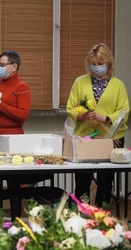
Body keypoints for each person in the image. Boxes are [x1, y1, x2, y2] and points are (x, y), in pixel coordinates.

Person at [0, 50, 51, 214]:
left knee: (12, 180)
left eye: (2, 65)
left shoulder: (22, 87)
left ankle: (15, 215)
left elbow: (22, 115)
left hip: (12, 140)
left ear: (14, 67)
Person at [66, 43, 129, 207]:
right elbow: (70, 108)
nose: (96, 67)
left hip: (111, 138)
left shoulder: (118, 85)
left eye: (100, 64)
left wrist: (105, 117)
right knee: (82, 181)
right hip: (85, 138)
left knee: (106, 182)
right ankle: (80, 214)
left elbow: (124, 112)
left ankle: (102, 215)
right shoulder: (80, 82)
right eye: (93, 64)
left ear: (109, 63)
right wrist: (82, 115)